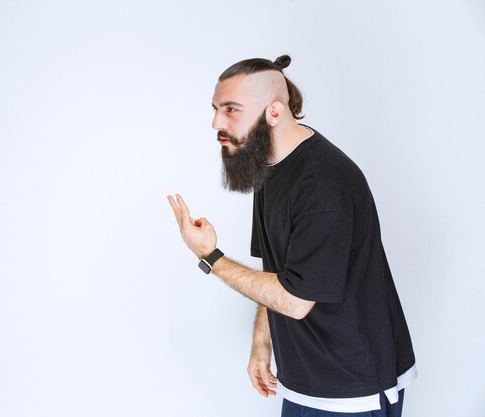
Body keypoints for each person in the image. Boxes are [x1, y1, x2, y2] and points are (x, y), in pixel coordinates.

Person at [167, 55, 416, 417]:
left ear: (275, 112)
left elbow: (296, 300)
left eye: (231, 109)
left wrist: (211, 258)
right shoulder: (269, 165)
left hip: (352, 389)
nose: (216, 122)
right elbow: (279, 271)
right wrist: (261, 342)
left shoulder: (321, 186)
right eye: (216, 109)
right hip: (306, 382)